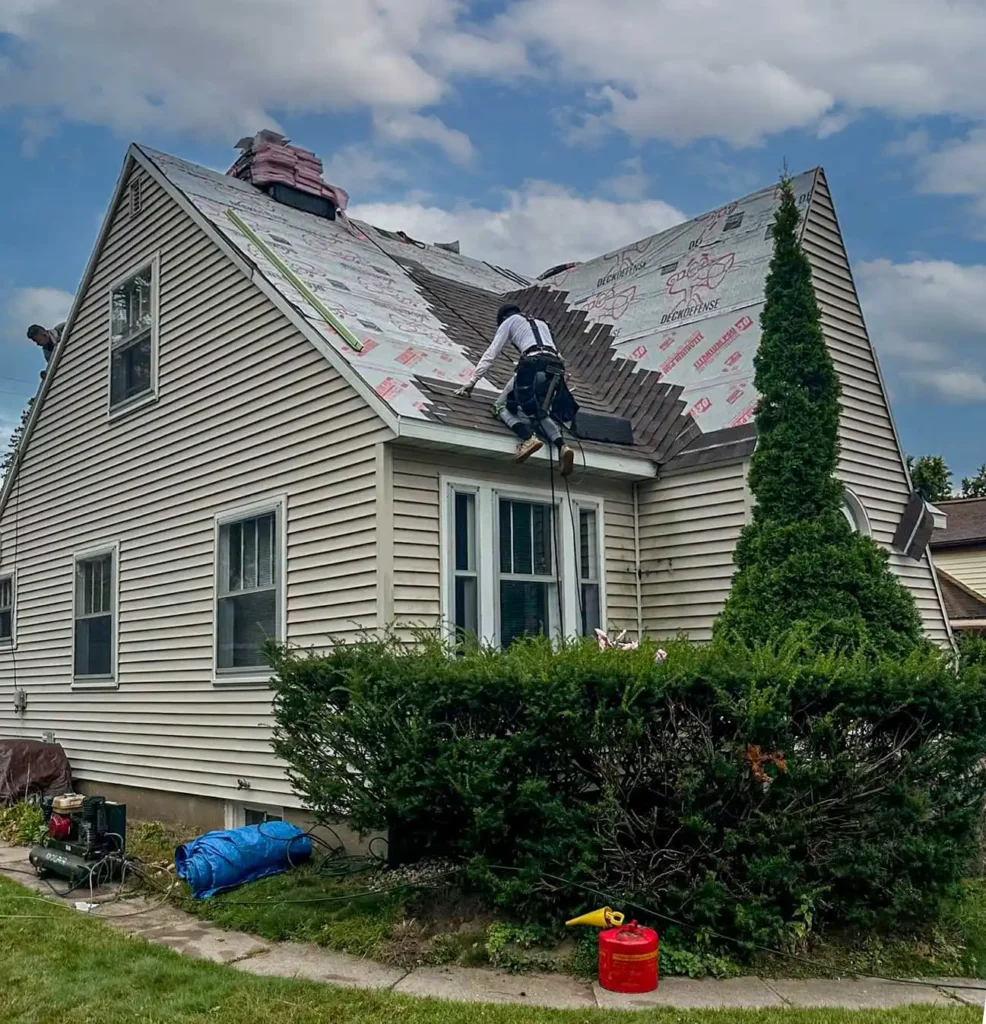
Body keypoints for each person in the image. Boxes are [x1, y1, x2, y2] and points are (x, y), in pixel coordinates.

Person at [456, 304, 576, 476]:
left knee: (499, 406)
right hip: (555, 369)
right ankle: (562, 446)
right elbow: (558, 356)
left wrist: (472, 382)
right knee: (538, 412)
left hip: (532, 365)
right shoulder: (541, 323)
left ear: (503, 319)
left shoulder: (509, 322)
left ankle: (528, 439)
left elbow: (492, 353)